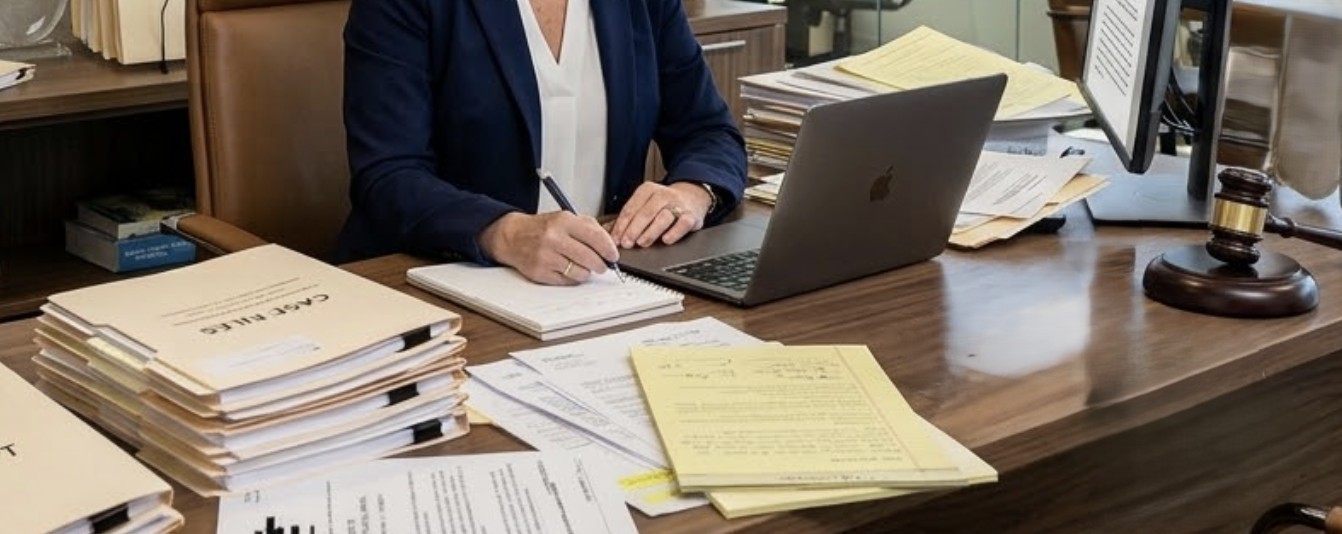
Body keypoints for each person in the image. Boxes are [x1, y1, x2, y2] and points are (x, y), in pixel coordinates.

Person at [336, 0, 748, 285]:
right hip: (436, 286)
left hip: (603, 284)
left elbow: (709, 130)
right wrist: (505, 233)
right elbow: (389, 174)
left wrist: (694, 192)